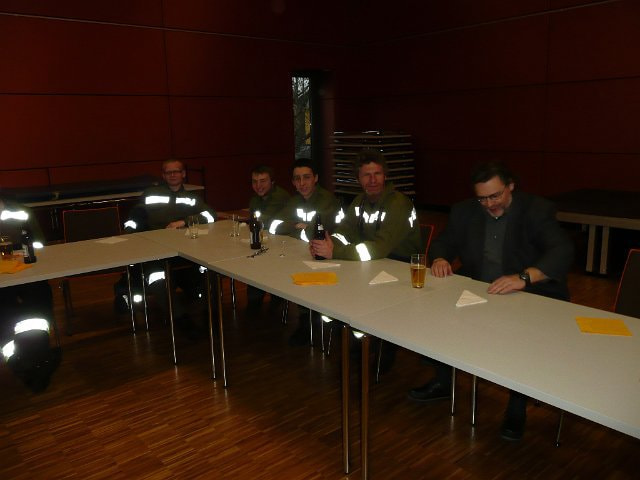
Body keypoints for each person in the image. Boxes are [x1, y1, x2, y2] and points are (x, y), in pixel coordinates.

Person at [407, 161, 574, 442]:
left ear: (511, 187)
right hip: (480, 288)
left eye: (495, 196)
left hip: (527, 292)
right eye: (482, 198)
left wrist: (524, 277)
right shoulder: (464, 211)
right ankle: (444, 381)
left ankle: (517, 407)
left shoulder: (536, 210)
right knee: (437, 313)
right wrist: (441, 258)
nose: (489, 204)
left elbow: (562, 250)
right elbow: (444, 242)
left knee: (522, 339)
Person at [310, 149, 422, 369]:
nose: (372, 180)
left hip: (401, 268)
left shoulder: (398, 204)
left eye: (377, 174)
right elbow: (344, 232)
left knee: (367, 294)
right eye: (366, 175)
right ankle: (356, 339)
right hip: (374, 264)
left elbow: (380, 248)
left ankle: (384, 349)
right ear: (358, 179)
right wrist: (327, 243)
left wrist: (335, 252)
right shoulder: (359, 202)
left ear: (385, 175)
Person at [117, 159, 217, 336]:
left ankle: (211, 317)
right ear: (163, 175)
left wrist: (185, 221)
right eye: (168, 172)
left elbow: (210, 215)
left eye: (176, 171)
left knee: (209, 272)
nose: (172, 175)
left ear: (183, 174)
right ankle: (181, 320)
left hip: (185, 250)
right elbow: (134, 217)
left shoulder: (192, 198)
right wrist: (130, 233)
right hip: (155, 251)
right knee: (157, 279)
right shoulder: (151, 194)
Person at [269, 158, 341, 345]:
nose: (302, 183)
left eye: (306, 177)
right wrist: (299, 226)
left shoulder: (327, 200)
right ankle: (304, 319)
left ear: (316, 178)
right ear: (293, 182)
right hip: (303, 252)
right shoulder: (294, 201)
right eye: (297, 179)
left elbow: (317, 233)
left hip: (330, 257)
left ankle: (313, 322)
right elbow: (274, 225)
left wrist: (295, 228)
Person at [0, 195, 60, 392]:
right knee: (6, 307)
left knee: (39, 294)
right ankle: (24, 362)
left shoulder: (21, 211)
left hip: (27, 270)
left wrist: (24, 255)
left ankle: (34, 359)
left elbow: (40, 243)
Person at [246, 165, 290, 312]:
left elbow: (262, 221)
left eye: (263, 181)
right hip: (267, 242)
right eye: (254, 181)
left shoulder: (279, 197)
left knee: (257, 263)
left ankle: (265, 303)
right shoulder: (255, 199)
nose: (258, 186)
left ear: (272, 181)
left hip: (284, 246)